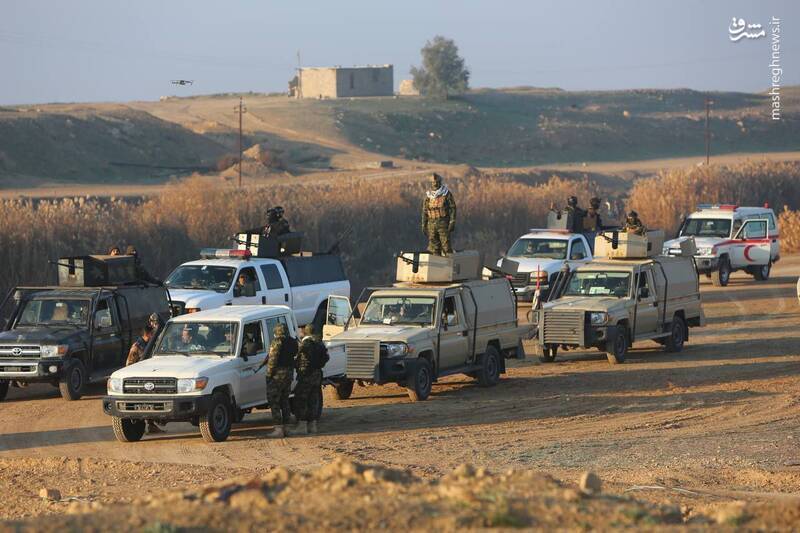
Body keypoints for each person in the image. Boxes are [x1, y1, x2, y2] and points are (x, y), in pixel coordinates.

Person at [255, 323, 297, 438]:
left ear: (277, 332)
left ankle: (278, 429)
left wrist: (268, 375)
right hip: (289, 374)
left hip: (277, 375)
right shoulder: (293, 341)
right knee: (285, 400)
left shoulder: (277, 342)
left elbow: (272, 360)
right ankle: (287, 427)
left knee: (274, 401)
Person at [287, 324, 329, 435]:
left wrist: (297, 366)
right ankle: (312, 426)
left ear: (305, 332)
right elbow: (326, 358)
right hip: (317, 374)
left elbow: (298, 359)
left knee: (301, 399)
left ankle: (302, 426)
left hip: (306, 376)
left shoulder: (305, 345)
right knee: (313, 399)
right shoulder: (320, 344)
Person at [125, 326, 164, 434]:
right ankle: (148, 425)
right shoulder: (136, 347)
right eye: (153, 334)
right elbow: (129, 365)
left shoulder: (150, 345)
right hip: (139, 380)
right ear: (148, 334)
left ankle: (152, 425)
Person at [421, 173, 456, 255]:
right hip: (431, 225)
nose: (435, 184)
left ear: (440, 182)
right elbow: (424, 211)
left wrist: (452, 221)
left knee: (446, 246)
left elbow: (452, 208)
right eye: (433, 182)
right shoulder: (428, 196)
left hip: (443, 224)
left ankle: (449, 265)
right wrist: (424, 224)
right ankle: (436, 266)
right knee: (433, 248)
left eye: (436, 182)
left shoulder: (446, 193)